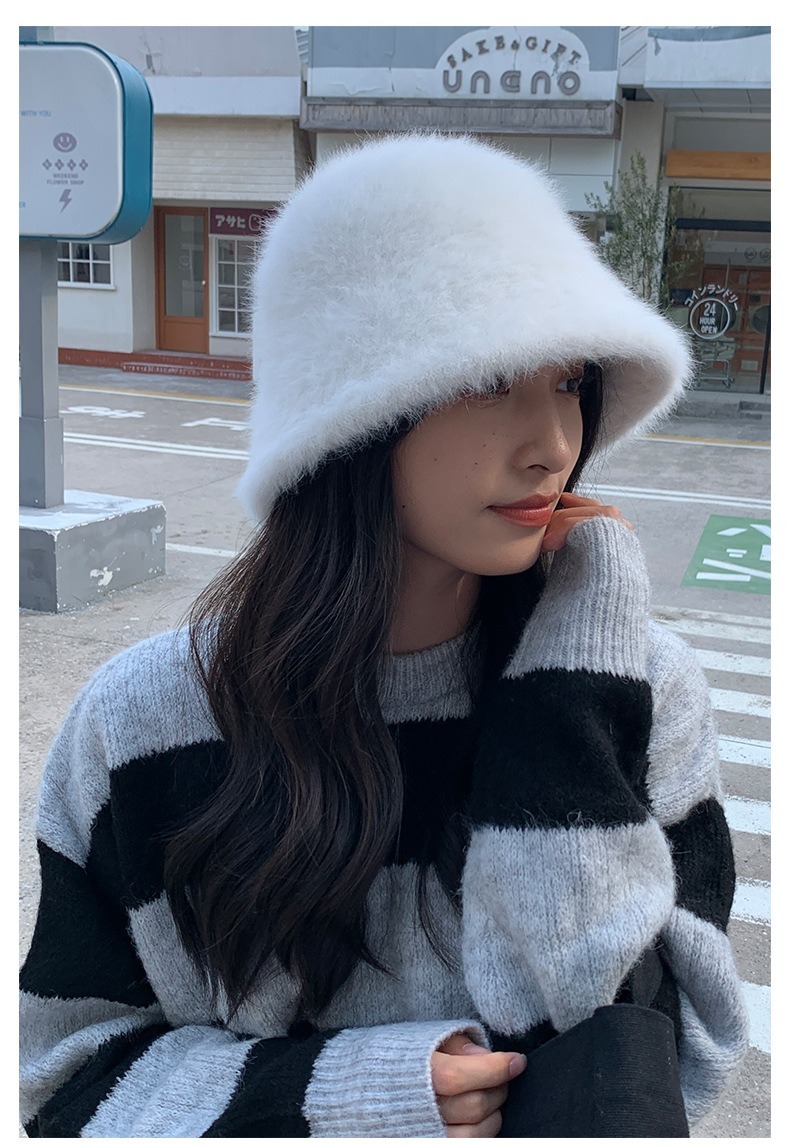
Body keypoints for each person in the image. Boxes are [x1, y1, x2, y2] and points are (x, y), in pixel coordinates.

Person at [20, 133, 748, 1138]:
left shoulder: (641, 690)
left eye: (570, 380)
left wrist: (571, 697)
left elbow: (674, 1057)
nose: (554, 443)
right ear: (348, 419)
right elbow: (68, 1077)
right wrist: (343, 1097)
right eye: (491, 379)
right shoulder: (144, 722)